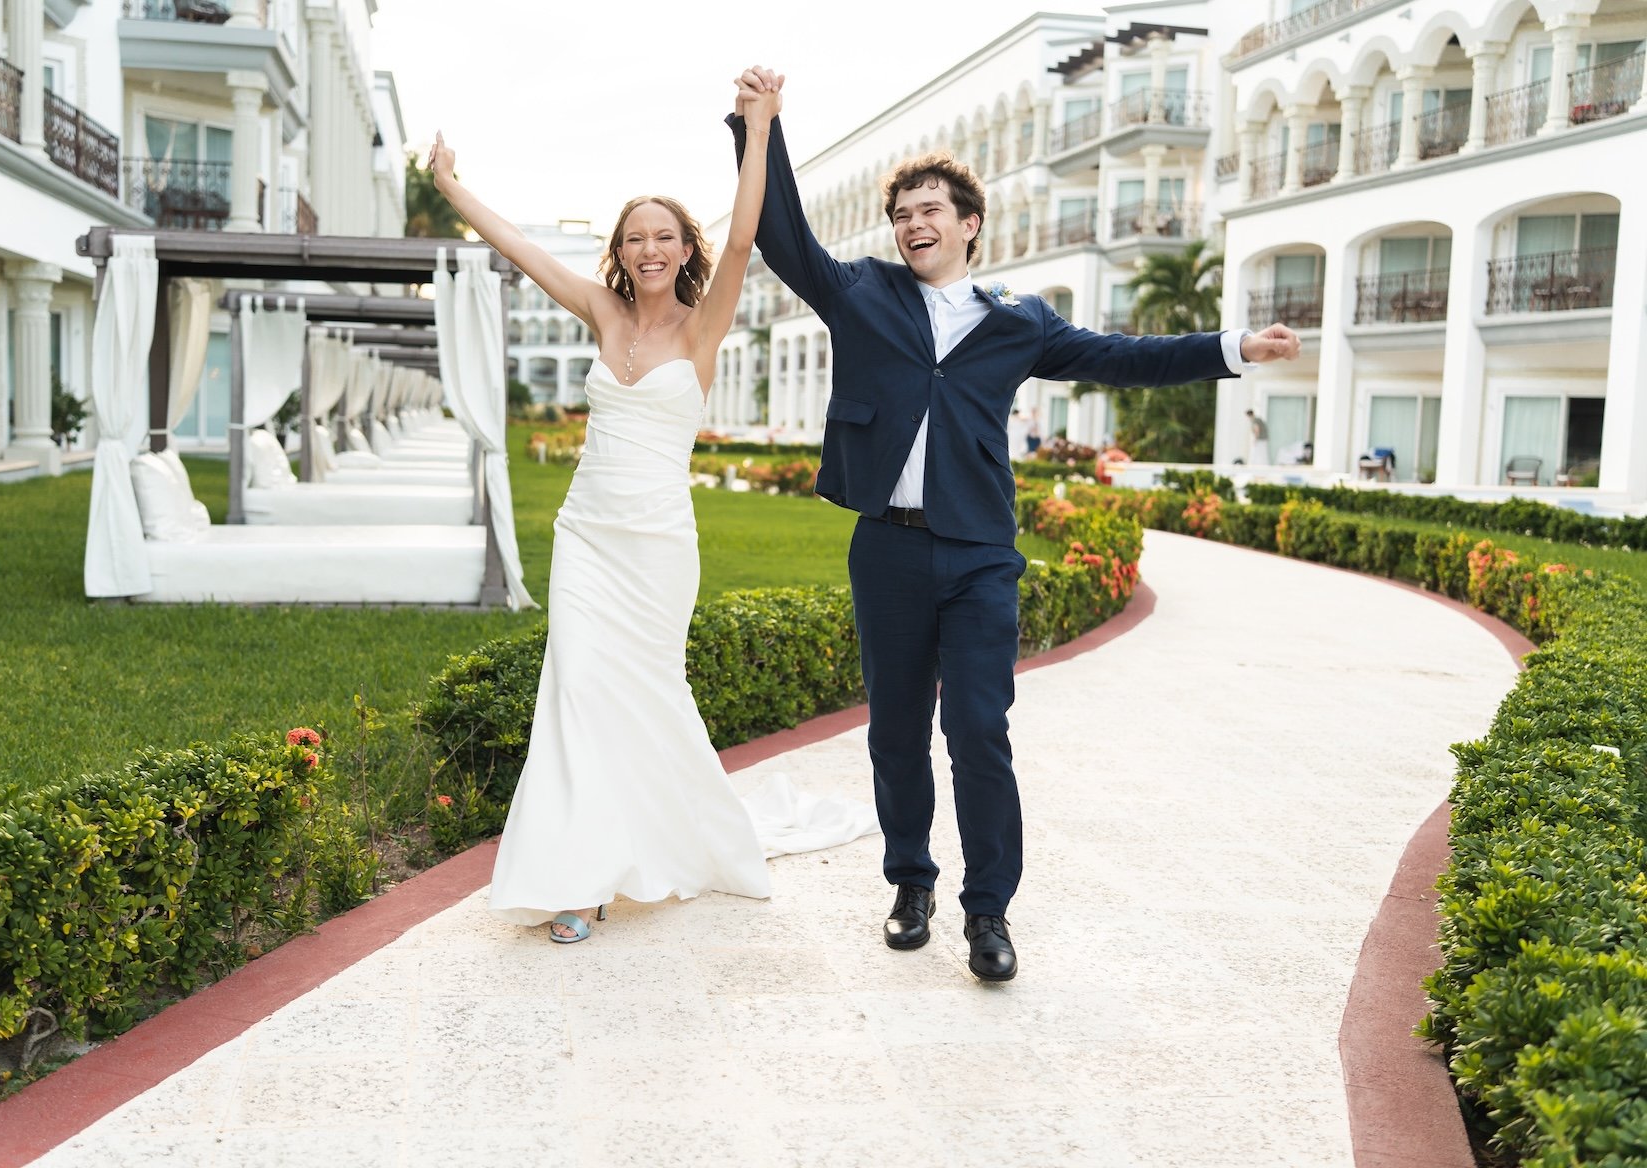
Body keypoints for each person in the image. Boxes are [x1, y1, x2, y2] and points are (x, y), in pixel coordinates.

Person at [729, 66, 1301, 981]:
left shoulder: (1017, 323)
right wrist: (759, 127)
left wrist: (1233, 348)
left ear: (968, 225)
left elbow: (1124, 357)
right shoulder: (861, 294)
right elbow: (782, 232)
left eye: (930, 210)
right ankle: (910, 883)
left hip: (980, 556)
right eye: (902, 213)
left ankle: (988, 912)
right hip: (886, 547)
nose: (914, 223)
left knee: (980, 732)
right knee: (894, 732)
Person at [428, 76, 802, 943]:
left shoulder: (702, 328)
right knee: (578, 691)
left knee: (649, 693)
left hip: (659, 546)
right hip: (588, 537)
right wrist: (452, 187)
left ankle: (667, 840)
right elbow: (523, 250)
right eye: (634, 238)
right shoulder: (601, 310)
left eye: (663, 236)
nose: (648, 249)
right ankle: (581, 879)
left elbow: (746, 235)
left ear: (682, 248)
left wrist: (759, 128)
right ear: (620, 252)